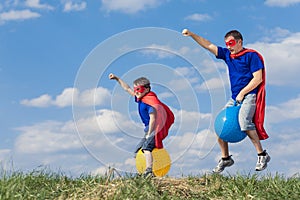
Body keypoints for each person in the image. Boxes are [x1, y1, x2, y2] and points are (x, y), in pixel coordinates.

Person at [182, 29, 270, 173]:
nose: (229, 47)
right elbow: (208, 45)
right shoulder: (228, 55)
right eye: (227, 44)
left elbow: (258, 78)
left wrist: (242, 93)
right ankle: (226, 158)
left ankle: (262, 155)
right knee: (220, 126)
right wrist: (192, 35)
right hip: (235, 97)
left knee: (244, 123)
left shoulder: (251, 56)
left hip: (249, 95)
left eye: (231, 43)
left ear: (239, 42)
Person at [109, 73, 174, 177]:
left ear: (147, 89)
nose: (136, 92)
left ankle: (149, 171)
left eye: (138, 89)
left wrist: (149, 134)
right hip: (148, 131)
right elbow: (127, 88)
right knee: (137, 151)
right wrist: (117, 78)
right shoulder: (141, 99)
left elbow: (153, 119)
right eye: (135, 90)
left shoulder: (151, 102)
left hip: (154, 130)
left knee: (146, 149)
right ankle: (143, 170)